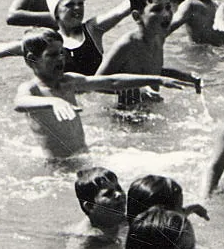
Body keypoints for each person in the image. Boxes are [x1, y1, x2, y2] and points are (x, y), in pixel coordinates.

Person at [12, 31, 174, 158]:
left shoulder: (68, 81)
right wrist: (54, 102)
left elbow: (111, 82)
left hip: (82, 154)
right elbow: (19, 103)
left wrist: (157, 79)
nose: (60, 59)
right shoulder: (32, 89)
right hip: (58, 163)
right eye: (52, 55)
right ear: (32, 60)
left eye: (62, 53)